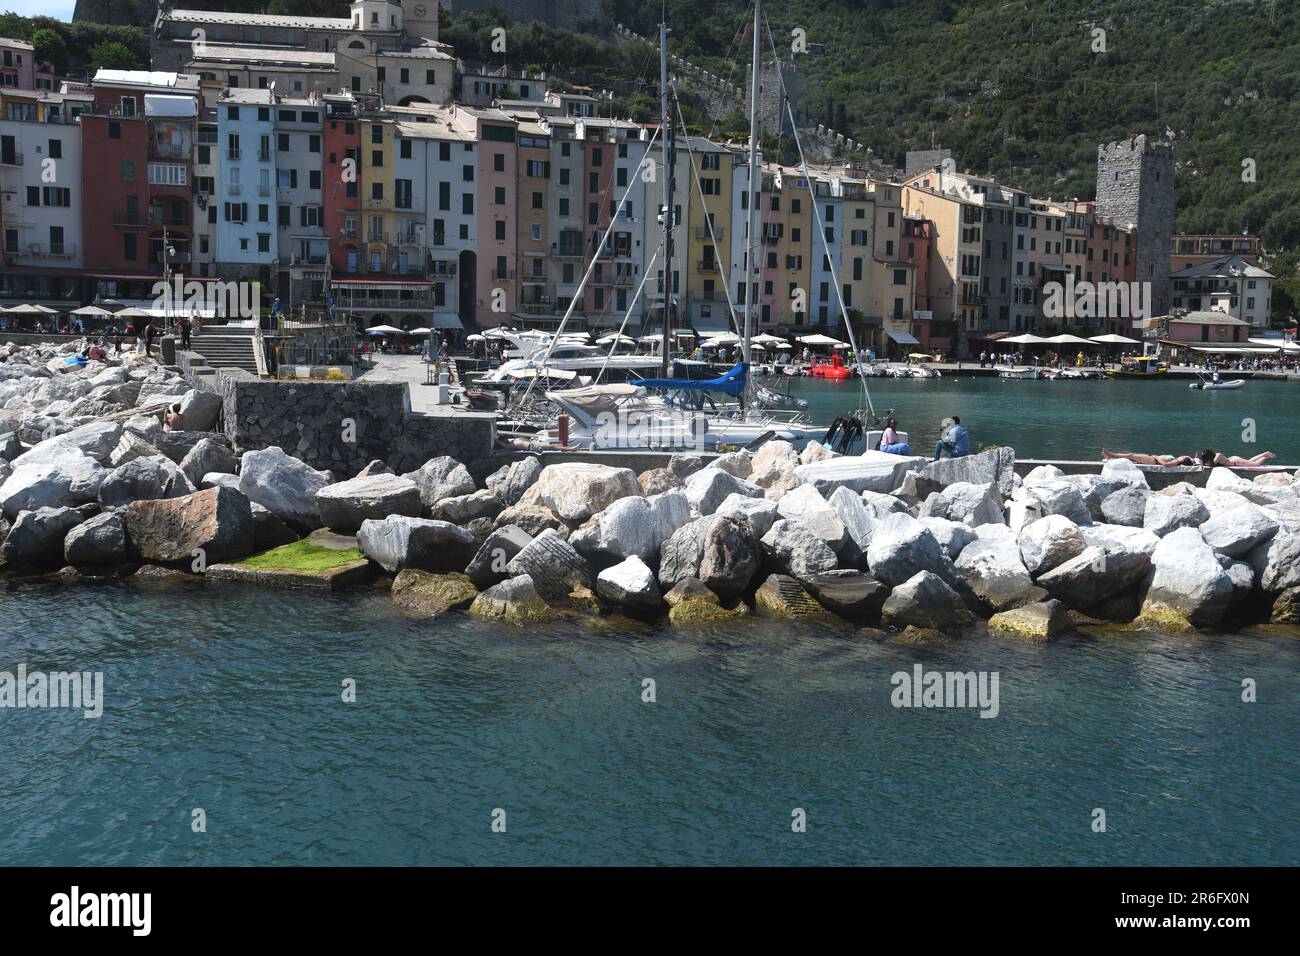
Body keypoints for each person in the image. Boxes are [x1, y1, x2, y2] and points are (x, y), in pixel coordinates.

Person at [1199, 449, 1277, 468]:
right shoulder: (1215, 456)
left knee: (1255, 465)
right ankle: (1265, 453)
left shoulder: (1218, 455)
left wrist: (1205, 463)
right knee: (1250, 461)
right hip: (1233, 459)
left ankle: (1265, 457)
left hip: (1236, 462)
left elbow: (1212, 465)